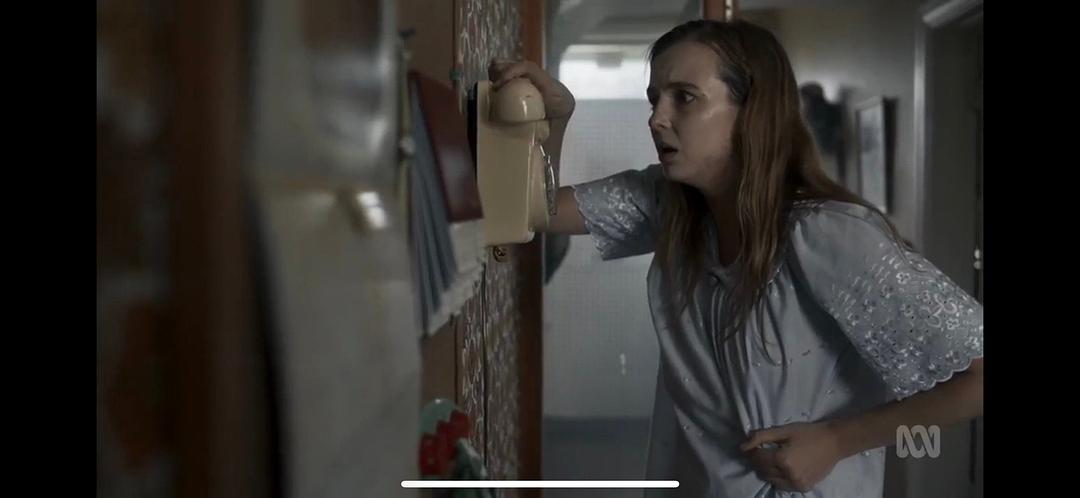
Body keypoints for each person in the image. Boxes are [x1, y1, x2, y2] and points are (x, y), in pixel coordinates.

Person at [489, 18, 982, 497]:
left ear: (751, 113)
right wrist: (557, 118)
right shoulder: (670, 206)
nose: (657, 118)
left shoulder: (828, 235)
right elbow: (532, 209)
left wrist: (837, 441)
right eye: (655, 98)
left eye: (685, 97)